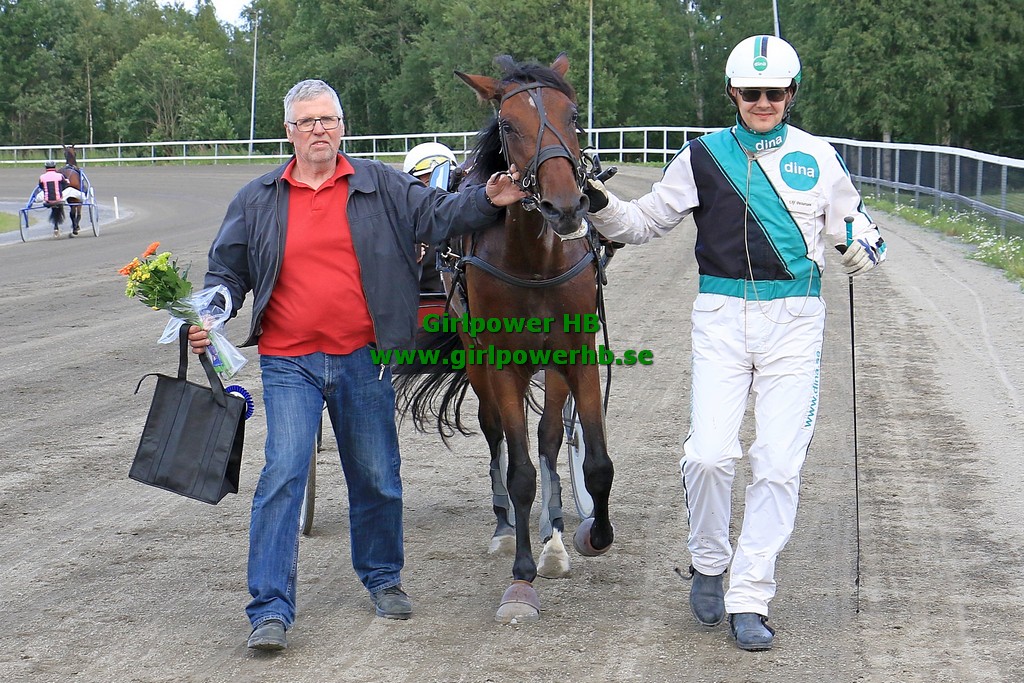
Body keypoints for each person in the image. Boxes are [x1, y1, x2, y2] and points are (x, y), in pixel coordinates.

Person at [186, 79, 526, 652]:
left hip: (364, 357)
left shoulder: (382, 185)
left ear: (342, 127)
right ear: (289, 132)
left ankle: (383, 577)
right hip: (288, 360)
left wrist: (488, 199)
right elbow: (226, 271)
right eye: (307, 122)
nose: (318, 130)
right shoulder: (257, 198)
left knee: (375, 475)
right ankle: (269, 608)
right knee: (282, 474)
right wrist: (210, 313)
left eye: (328, 120)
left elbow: (440, 215)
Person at [583, 35, 885, 651]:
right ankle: (708, 560)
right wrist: (596, 201)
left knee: (777, 463)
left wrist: (864, 247)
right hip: (721, 319)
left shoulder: (818, 156)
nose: (763, 102)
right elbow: (643, 222)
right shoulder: (702, 156)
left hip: (794, 322)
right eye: (751, 93)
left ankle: (750, 596)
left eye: (774, 92)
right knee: (709, 457)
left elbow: (856, 225)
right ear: (732, 93)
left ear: (791, 93)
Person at [403, 142, 459, 294]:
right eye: (428, 181)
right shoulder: (400, 226)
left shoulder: (466, 228)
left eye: (445, 180)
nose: (437, 191)